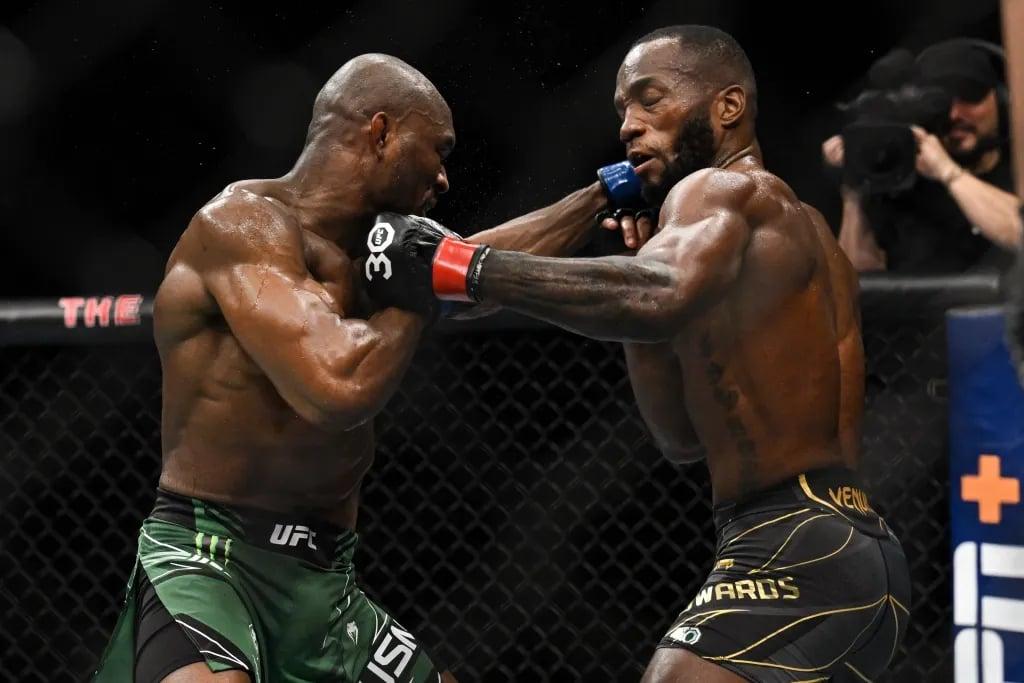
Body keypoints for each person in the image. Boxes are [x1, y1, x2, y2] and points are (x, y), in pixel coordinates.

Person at [364, 26, 911, 682]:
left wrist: (465, 265)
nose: (628, 125)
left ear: (727, 107)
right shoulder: (801, 228)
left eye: (650, 100)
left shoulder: (721, 191)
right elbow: (678, 436)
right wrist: (631, 269)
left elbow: (661, 293)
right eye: (622, 109)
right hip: (855, 546)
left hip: (791, 538)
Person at [92, 53, 644, 683]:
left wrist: (609, 190)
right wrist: (423, 288)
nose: (442, 179)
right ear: (380, 132)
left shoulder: (370, 258)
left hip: (326, 581)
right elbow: (336, 387)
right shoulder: (241, 226)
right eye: (437, 150)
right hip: (212, 558)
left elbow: (481, 266)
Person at [823, 40, 1022, 272]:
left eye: (970, 95)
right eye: (940, 100)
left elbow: (1020, 233)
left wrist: (949, 173)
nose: (955, 113)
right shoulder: (899, 175)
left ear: (1001, 100)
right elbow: (860, 284)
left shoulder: (1018, 169)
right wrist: (854, 192)